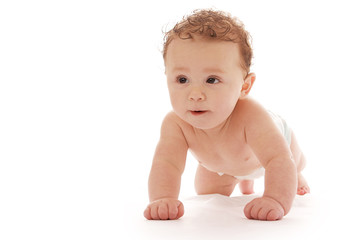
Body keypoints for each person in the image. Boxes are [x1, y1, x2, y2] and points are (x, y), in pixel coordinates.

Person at [143, 9, 310, 221]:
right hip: (220, 167)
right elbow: (167, 163)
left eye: (212, 80)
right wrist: (162, 198)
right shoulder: (176, 123)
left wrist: (275, 199)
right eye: (182, 80)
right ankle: (241, 180)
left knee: (294, 160)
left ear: (245, 86)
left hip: (271, 151)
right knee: (207, 194)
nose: (195, 95)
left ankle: (296, 175)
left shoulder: (252, 116)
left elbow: (278, 158)